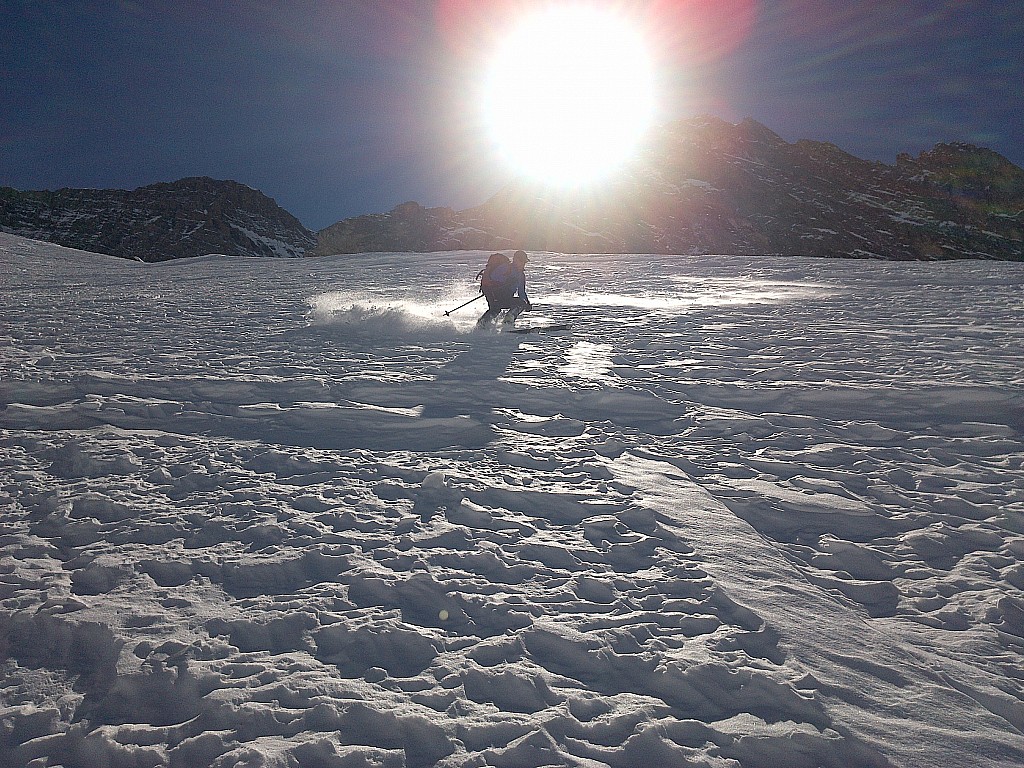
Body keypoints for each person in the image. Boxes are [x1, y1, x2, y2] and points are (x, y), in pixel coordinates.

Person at [476, 250, 532, 328]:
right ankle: (483, 325)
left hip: (505, 295)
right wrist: (506, 280)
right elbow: (493, 278)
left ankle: (486, 323)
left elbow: (521, 292)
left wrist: (527, 303)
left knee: (520, 303)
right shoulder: (506, 267)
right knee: (495, 309)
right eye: (521, 261)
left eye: (524, 262)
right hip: (493, 293)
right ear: (515, 260)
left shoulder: (521, 275)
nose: (523, 264)